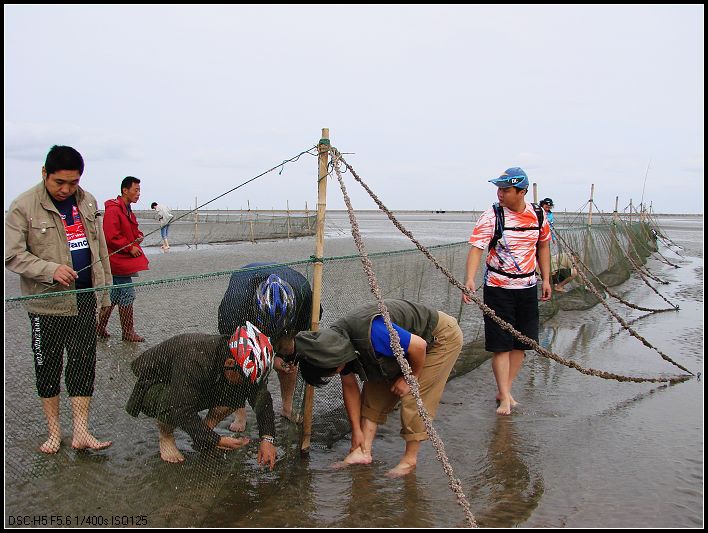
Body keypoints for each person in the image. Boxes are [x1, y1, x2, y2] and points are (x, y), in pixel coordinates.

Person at [5, 145, 113, 454]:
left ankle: (81, 432)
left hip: (83, 298)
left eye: (73, 183)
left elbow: (100, 249)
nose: (66, 189)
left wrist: (104, 292)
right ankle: (54, 433)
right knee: (47, 366)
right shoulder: (23, 206)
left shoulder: (88, 201)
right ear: (44, 174)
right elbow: (12, 255)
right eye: (59, 183)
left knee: (82, 364)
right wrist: (50, 270)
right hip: (45, 304)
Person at [295, 298, 463, 478]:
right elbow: (350, 386)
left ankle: (409, 460)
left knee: (414, 397)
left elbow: (419, 346)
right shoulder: (332, 347)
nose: (339, 372)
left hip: (438, 338)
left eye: (334, 371)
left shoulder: (373, 333)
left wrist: (410, 377)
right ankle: (362, 451)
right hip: (403, 346)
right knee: (374, 390)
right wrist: (356, 432)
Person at [125, 322, 277, 467]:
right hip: (153, 382)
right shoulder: (196, 358)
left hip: (191, 381)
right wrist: (217, 440)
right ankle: (166, 436)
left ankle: (205, 430)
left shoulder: (238, 365)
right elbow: (181, 409)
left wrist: (267, 439)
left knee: (236, 393)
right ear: (230, 363)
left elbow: (261, 398)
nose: (247, 385)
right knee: (172, 402)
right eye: (245, 380)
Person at [463, 167, 551, 416]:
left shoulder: (538, 216)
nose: (500, 194)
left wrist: (546, 279)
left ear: (522, 191)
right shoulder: (492, 215)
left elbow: (543, 247)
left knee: (521, 344)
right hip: (498, 288)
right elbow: (477, 248)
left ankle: (505, 390)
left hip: (527, 287)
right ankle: (504, 397)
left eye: (506, 190)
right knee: (501, 345)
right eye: (498, 189)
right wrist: (469, 278)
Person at [218, 262, 316, 431]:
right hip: (245, 286)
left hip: (289, 305)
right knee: (237, 360)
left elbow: (302, 330)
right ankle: (240, 416)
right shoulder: (233, 308)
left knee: (289, 350)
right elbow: (231, 348)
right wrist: (268, 360)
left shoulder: (304, 294)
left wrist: (280, 358)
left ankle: (287, 407)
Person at [97, 176, 149, 342]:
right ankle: (127, 332)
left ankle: (99, 328)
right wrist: (130, 247)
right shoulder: (114, 209)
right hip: (115, 261)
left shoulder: (127, 209)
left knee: (114, 296)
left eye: (139, 190)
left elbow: (130, 230)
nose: (139, 193)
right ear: (125, 190)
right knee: (125, 295)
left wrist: (138, 237)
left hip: (121, 262)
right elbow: (110, 236)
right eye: (136, 190)